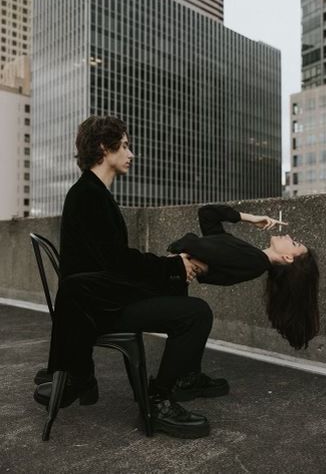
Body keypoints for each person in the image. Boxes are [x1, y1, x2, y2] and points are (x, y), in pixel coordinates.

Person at [34, 115, 229, 440]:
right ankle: (159, 400)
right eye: (124, 145)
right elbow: (117, 263)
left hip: (97, 301)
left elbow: (114, 261)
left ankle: (185, 377)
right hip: (100, 309)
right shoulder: (88, 196)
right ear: (103, 148)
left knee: (175, 281)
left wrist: (172, 268)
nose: (131, 153)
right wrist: (172, 267)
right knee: (197, 313)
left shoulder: (91, 193)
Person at [168, 204, 320, 350]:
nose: (287, 236)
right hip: (169, 274)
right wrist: (251, 218)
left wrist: (186, 254)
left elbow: (188, 245)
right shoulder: (251, 257)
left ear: (287, 258)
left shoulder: (253, 261)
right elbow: (207, 214)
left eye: (293, 243)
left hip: (166, 276)